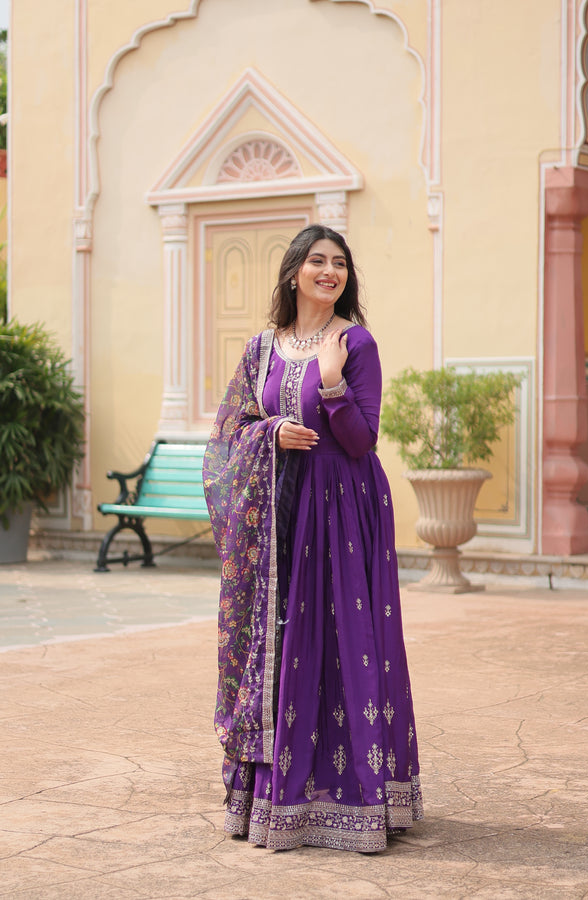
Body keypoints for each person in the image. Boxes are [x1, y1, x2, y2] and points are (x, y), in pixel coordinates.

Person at [203, 224, 423, 853]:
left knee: (342, 641)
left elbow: (361, 441)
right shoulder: (261, 348)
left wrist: (330, 383)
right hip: (280, 515)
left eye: (341, 264)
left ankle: (354, 798)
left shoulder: (356, 343)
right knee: (279, 643)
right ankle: (278, 797)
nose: (331, 272)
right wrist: (269, 433)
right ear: (294, 270)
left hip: (344, 514)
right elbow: (228, 431)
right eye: (319, 261)